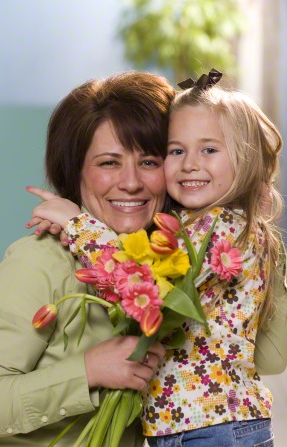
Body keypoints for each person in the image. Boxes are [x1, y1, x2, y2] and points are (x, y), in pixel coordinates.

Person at [26, 71, 285, 447]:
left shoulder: (220, 227)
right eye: (176, 151)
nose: (189, 164)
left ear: (244, 159)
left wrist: (78, 224)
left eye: (209, 150)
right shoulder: (195, 224)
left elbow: (144, 288)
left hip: (214, 426)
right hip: (197, 424)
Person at [0, 71, 175, 446]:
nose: (132, 182)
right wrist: (87, 371)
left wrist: (254, 227)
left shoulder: (170, 268)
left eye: (150, 161)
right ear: (75, 171)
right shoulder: (40, 262)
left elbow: (269, 357)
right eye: (109, 163)